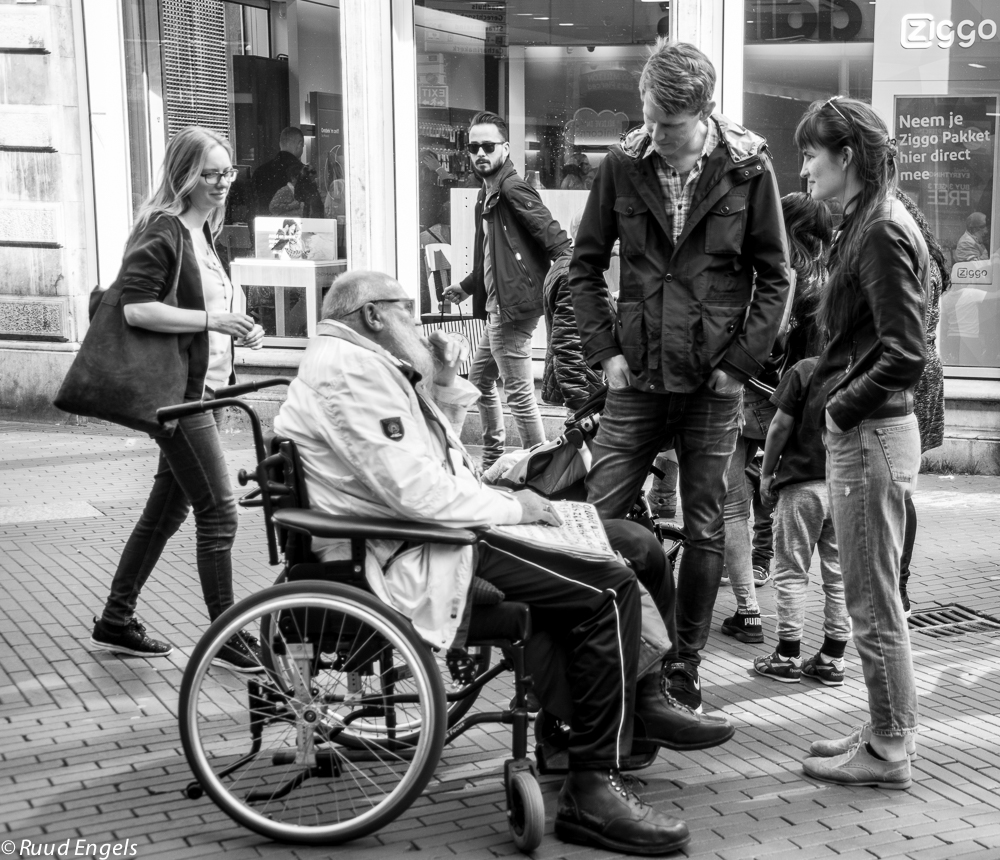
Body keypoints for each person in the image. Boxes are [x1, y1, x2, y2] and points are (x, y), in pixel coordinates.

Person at [272, 269, 735, 856]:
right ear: (373, 314)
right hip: (421, 544)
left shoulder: (362, 364)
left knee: (637, 543)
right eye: (407, 309)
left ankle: (641, 699)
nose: (417, 320)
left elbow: (434, 461)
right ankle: (592, 785)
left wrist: (442, 379)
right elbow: (417, 491)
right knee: (608, 587)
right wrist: (516, 506)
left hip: (437, 529)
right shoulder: (351, 372)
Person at [568, 40, 790, 711]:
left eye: (671, 125)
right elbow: (583, 267)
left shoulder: (748, 168)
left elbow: (776, 276)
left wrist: (740, 364)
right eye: (649, 118)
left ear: (705, 111)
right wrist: (605, 352)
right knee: (592, 518)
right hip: (635, 378)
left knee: (705, 526)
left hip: (711, 382)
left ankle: (683, 665)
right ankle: (597, 649)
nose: (657, 135)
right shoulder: (621, 163)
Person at [88, 126, 266, 672]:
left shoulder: (204, 232)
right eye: (210, 173)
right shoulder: (164, 229)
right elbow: (135, 308)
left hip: (205, 390)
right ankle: (226, 636)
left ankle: (116, 619)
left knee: (165, 511)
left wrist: (239, 328)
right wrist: (214, 320)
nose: (221, 182)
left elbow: (206, 310)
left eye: (227, 172)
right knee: (220, 512)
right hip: (181, 396)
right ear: (184, 175)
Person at [795, 96, 926, 787]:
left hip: (871, 434)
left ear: (846, 156)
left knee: (871, 603)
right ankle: (886, 728)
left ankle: (890, 747)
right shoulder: (872, 220)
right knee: (874, 598)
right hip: (874, 433)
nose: (804, 167)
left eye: (811, 153)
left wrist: (840, 412)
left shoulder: (878, 229)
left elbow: (906, 352)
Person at [719, 192, 835, 642]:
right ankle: (824, 635)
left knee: (732, 504)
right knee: (793, 502)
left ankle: (749, 611)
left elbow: (757, 340)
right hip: (796, 405)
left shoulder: (773, 274)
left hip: (748, 393)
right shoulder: (829, 279)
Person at [442, 111, 572, 469]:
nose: (480, 154)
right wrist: (467, 286)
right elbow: (493, 256)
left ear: (506, 148)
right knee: (479, 381)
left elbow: (559, 243)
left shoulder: (512, 188)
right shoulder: (487, 193)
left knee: (518, 394)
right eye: (473, 147)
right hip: (499, 305)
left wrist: (564, 293)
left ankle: (542, 471)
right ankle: (493, 460)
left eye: (488, 146)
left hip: (512, 309)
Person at [753, 357, 850, 685]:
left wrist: (766, 474)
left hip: (801, 485)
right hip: (845, 485)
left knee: (792, 571)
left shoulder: (805, 370)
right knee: (840, 576)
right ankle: (832, 659)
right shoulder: (866, 369)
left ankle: (787, 657)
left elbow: (780, 426)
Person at [894, 190, 950, 617]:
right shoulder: (927, 257)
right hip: (927, 369)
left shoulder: (905, 255)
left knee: (899, 488)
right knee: (904, 485)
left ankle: (899, 585)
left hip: (910, 372)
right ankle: (899, 585)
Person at [541, 212, 603, 414]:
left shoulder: (572, 266)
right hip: (585, 390)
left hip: (586, 385)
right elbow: (569, 345)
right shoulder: (574, 273)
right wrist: (582, 407)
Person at [252, 126, 304, 219]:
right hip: (296, 226)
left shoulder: (259, 171)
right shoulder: (303, 172)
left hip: (264, 226)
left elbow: (252, 208)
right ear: (300, 144)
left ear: (280, 144)